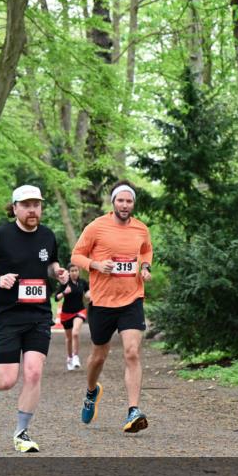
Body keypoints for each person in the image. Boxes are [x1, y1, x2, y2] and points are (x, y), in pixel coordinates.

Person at [0, 185, 68, 453]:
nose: (32, 209)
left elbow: (49, 264)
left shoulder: (48, 236)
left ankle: (21, 433)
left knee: (34, 372)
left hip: (38, 314)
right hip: (8, 316)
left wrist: (57, 272)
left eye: (36, 204)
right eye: (26, 205)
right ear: (14, 208)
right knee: (8, 379)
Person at [71, 180, 153, 433]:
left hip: (132, 299)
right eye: (121, 200)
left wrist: (145, 267)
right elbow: (76, 256)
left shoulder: (141, 229)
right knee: (99, 356)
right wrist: (96, 265)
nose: (125, 205)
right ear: (113, 202)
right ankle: (91, 391)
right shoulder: (96, 227)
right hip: (102, 301)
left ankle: (133, 411)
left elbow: (147, 251)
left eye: (129, 201)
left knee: (132, 352)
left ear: (133, 204)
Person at [54, 264, 89, 370]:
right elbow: (56, 298)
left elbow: (88, 292)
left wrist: (89, 295)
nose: (74, 272)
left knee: (75, 333)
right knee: (69, 338)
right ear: (68, 272)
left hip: (80, 311)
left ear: (79, 271)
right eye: (72, 271)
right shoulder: (65, 283)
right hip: (66, 313)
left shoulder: (83, 282)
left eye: (76, 270)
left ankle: (75, 357)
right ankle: (69, 358)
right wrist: (65, 292)